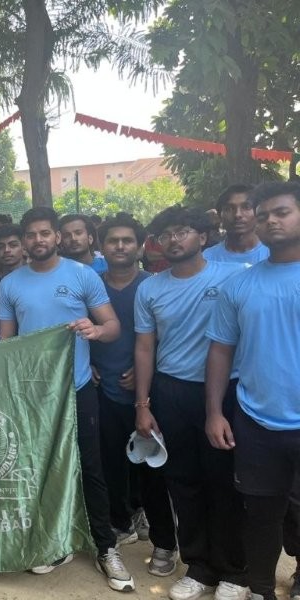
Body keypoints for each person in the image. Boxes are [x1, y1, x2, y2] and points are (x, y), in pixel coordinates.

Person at [0, 206, 133, 593]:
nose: (38, 240)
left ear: (57, 236)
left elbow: (112, 326)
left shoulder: (82, 275)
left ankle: (106, 548)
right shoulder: (10, 284)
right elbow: (5, 343)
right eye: (31, 235)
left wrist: (96, 330)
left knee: (91, 468)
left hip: (77, 388)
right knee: (41, 468)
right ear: (24, 241)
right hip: (32, 394)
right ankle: (55, 543)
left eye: (45, 233)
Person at [133, 206, 248, 600]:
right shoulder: (150, 288)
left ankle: (235, 572)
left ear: (203, 236)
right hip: (171, 391)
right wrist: (143, 404)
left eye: (182, 231)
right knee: (183, 482)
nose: (173, 239)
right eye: (166, 234)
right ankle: (199, 568)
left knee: (225, 483)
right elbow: (145, 346)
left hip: (225, 392)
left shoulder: (234, 276)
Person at [205, 182, 300, 600]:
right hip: (256, 419)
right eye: (264, 216)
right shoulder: (238, 286)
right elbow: (220, 351)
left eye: (282, 212)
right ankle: (261, 588)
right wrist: (214, 412)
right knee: (261, 513)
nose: (270, 221)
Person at [90, 213, 178, 577]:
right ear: (102, 245)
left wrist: (144, 373)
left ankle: (165, 542)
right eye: (113, 240)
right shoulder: (91, 284)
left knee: (154, 471)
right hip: (103, 390)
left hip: (149, 393)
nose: (120, 246)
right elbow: (79, 330)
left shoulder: (154, 286)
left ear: (140, 246)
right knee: (109, 464)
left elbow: (167, 337)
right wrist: (88, 363)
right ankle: (120, 523)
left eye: (128, 240)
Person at [203, 184, 270, 264]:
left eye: (246, 207)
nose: (237, 215)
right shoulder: (207, 259)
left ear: (259, 213)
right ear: (219, 216)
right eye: (229, 209)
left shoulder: (275, 254)